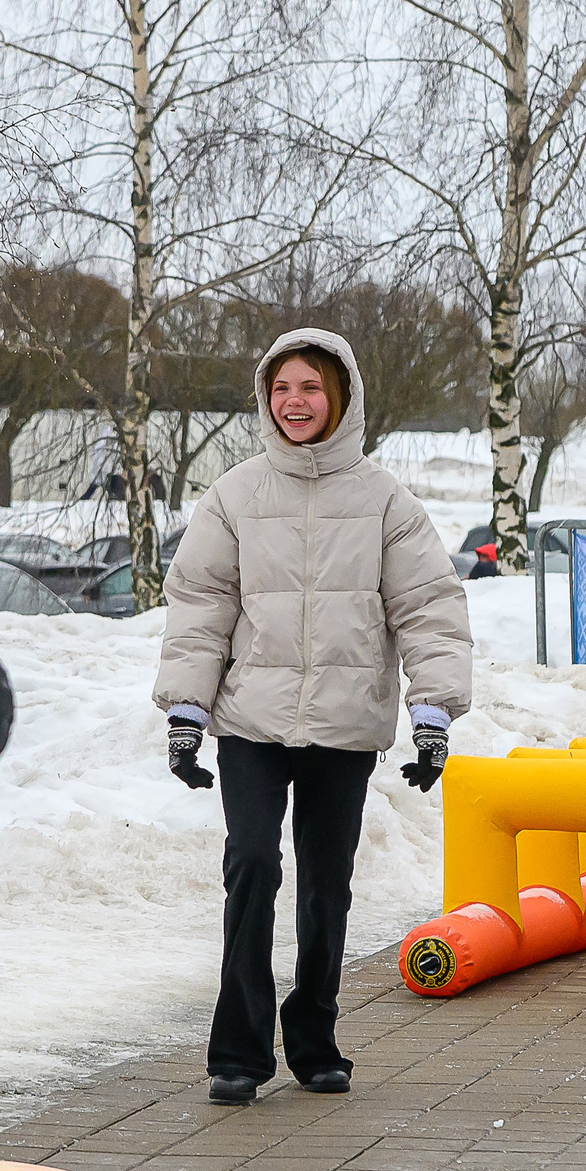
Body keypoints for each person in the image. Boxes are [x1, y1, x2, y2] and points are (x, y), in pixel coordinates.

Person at [153, 329, 473, 1105]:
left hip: (343, 723)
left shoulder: (385, 501)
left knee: (326, 884)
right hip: (253, 723)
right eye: (282, 388)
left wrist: (432, 713)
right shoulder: (234, 496)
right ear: (266, 397)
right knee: (253, 866)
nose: (294, 402)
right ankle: (237, 1052)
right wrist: (187, 713)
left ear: (342, 396)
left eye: (311, 387)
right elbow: (200, 608)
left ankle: (316, 1038)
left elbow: (428, 608)